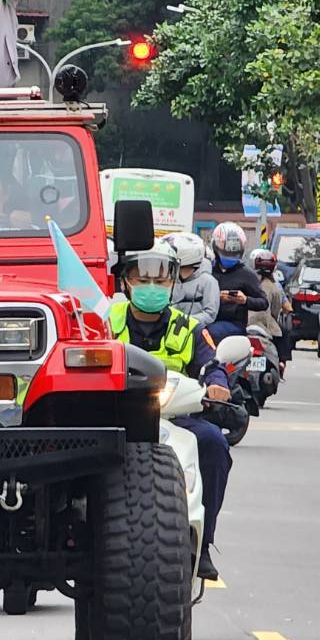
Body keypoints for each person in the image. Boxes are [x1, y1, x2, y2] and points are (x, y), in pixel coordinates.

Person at [110, 242, 233, 582]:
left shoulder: (188, 327)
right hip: (114, 415)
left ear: (173, 285)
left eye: (161, 281)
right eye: (142, 278)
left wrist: (217, 383)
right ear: (125, 283)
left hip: (175, 416)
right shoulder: (105, 320)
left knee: (214, 444)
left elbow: (212, 365)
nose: (152, 287)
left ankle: (202, 543)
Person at [208, 223, 268, 336]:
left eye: (234, 253)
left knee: (210, 332)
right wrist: (216, 297)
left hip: (233, 324)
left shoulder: (246, 274)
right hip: (206, 318)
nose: (229, 257)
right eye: (225, 253)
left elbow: (263, 302)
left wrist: (245, 300)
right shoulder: (207, 270)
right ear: (215, 248)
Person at [165, 233, 220, 324]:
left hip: (195, 329)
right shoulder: (170, 277)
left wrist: (186, 321)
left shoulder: (208, 281)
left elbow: (210, 313)